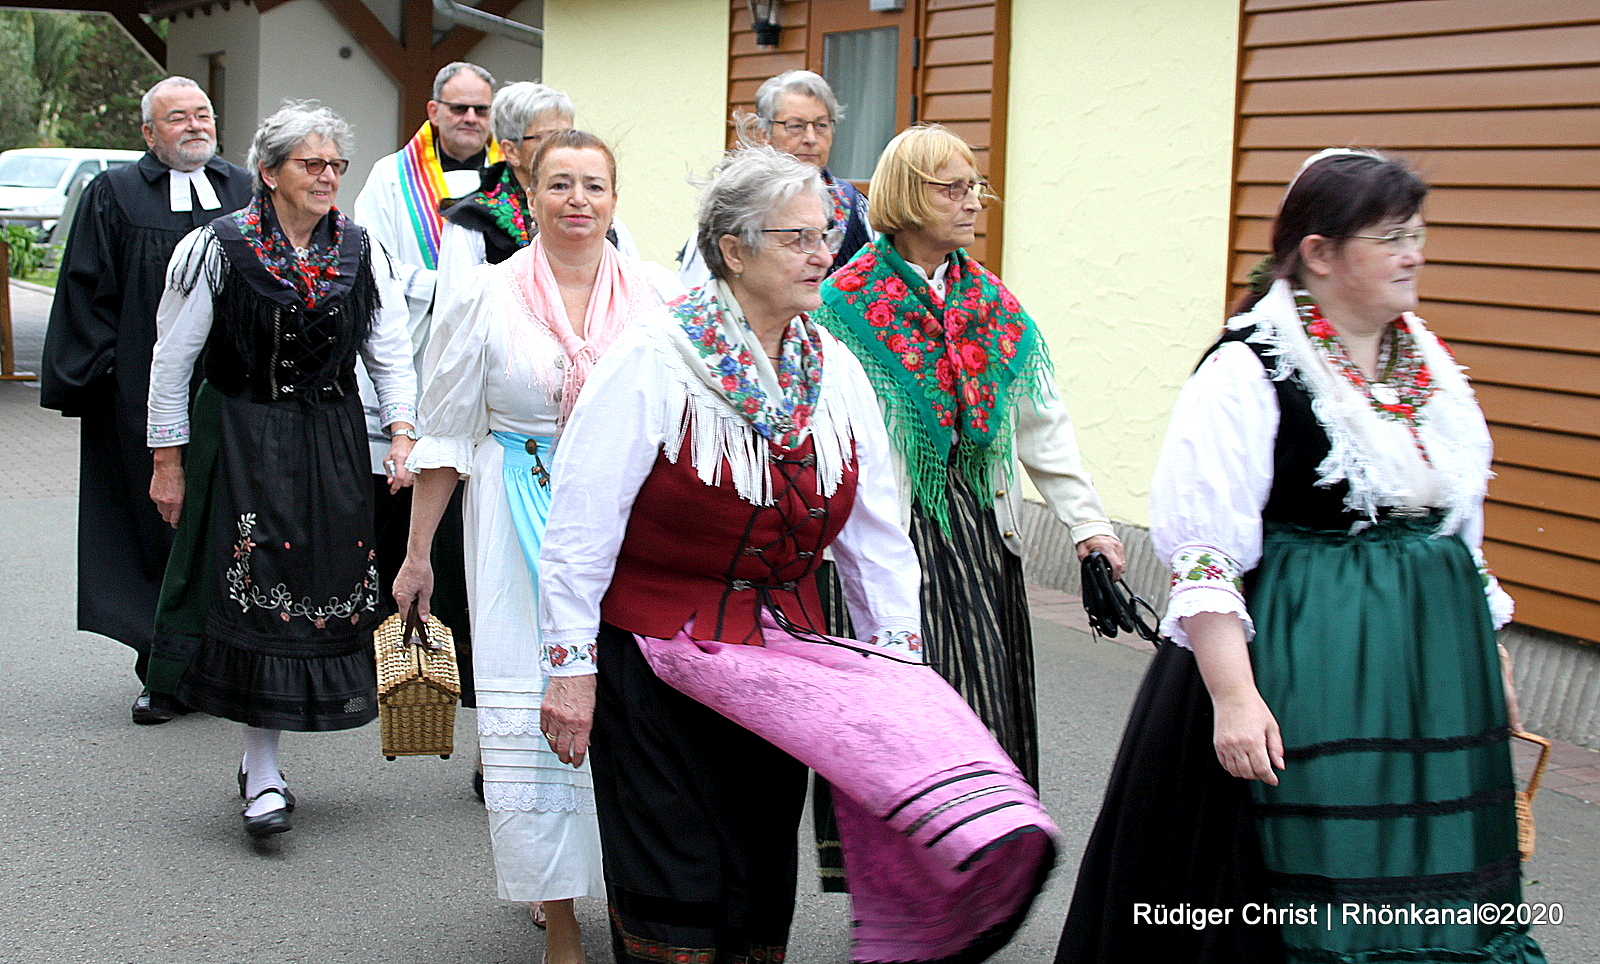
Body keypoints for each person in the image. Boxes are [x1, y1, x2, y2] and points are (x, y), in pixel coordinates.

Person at [536, 146, 1058, 964]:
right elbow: (580, 528)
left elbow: (877, 539)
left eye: (827, 236)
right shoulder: (655, 359)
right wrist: (569, 669)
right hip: (658, 658)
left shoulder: (834, 369)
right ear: (734, 249)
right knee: (678, 878)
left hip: (783, 669)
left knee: (755, 877)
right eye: (799, 239)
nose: (824, 255)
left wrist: (897, 674)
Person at [1055, 149, 1543, 964]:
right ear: (1319, 253)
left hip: (1426, 676)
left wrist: (1487, 651)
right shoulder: (1250, 368)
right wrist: (1235, 700)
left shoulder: (1421, 360)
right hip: (1298, 664)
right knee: (1278, 885)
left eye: (1416, 234)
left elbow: (1457, 522)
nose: (1413, 253)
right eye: (1391, 237)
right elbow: (1206, 554)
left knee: (1430, 875)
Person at [392, 130, 681, 964]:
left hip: (632, 521)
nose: (578, 200)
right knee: (537, 711)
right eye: (560, 185)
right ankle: (558, 913)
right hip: (516, 507)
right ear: (531, 194)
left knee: (630, 707)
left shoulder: (659, 295)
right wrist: (417, 558)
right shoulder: (484, 295)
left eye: (594, 185)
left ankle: (636, 886)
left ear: (616, 199)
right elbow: (446, 434)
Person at [816, 124, 1125, 790]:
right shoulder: (843, 305)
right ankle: (904, 871)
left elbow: (1042, 424)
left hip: (982, 528)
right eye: (952, 188)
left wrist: (1088, 524)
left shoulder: (993, 305)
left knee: (986, 703)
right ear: (905, 194)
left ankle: (980, 858)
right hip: (887, 530)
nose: (972, 201)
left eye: (974, 187)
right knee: (902, 713)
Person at [144, 102, 418, 840]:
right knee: (252, 589)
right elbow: (171, 364)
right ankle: (261, 768)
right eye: (312, 164)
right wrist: (167, 462)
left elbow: (387, 352)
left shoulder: (364, 251)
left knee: (315, 585)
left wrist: (401, 436)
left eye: (336, 165)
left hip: (328, 440)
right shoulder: (214, 249)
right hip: (240, 433)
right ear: (269, 173)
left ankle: (264, 759)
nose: (328, 177)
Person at [39, 77, 252, 725]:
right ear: (148, 133)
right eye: (177, 117)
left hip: (231, 396)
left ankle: (228, 665)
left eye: (203, 114)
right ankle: (159, 671)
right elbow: (85, 293)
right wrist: (101, 384)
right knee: (151, 528)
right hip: (139, 399)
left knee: (229, 529)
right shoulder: (114, 195)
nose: (194, 126)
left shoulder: (245, 190)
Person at [353, 61, 496, 713]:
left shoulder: (511, 172)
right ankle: (395, 646)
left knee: (474, 513)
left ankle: (466, 650)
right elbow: (374, 263)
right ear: (433, 111)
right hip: (414, 350)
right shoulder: (391, 177)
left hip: (488, 361)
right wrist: (452, 287)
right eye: (458, 108)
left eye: (481, 110)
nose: (470, 120)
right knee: (403, 497)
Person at [436, 83, 641, 307]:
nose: (564, 147)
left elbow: (634, 301)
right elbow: (456, 312)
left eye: (569, 134)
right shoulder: (472, 221)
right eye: (550, 137)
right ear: (511, 150)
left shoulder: (604, 223)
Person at [677, 69, 871, 287]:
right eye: (795, 126)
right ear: (765, 134)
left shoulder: (855, 207)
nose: (810, 138)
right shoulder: (737, 206)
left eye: (821, 125)